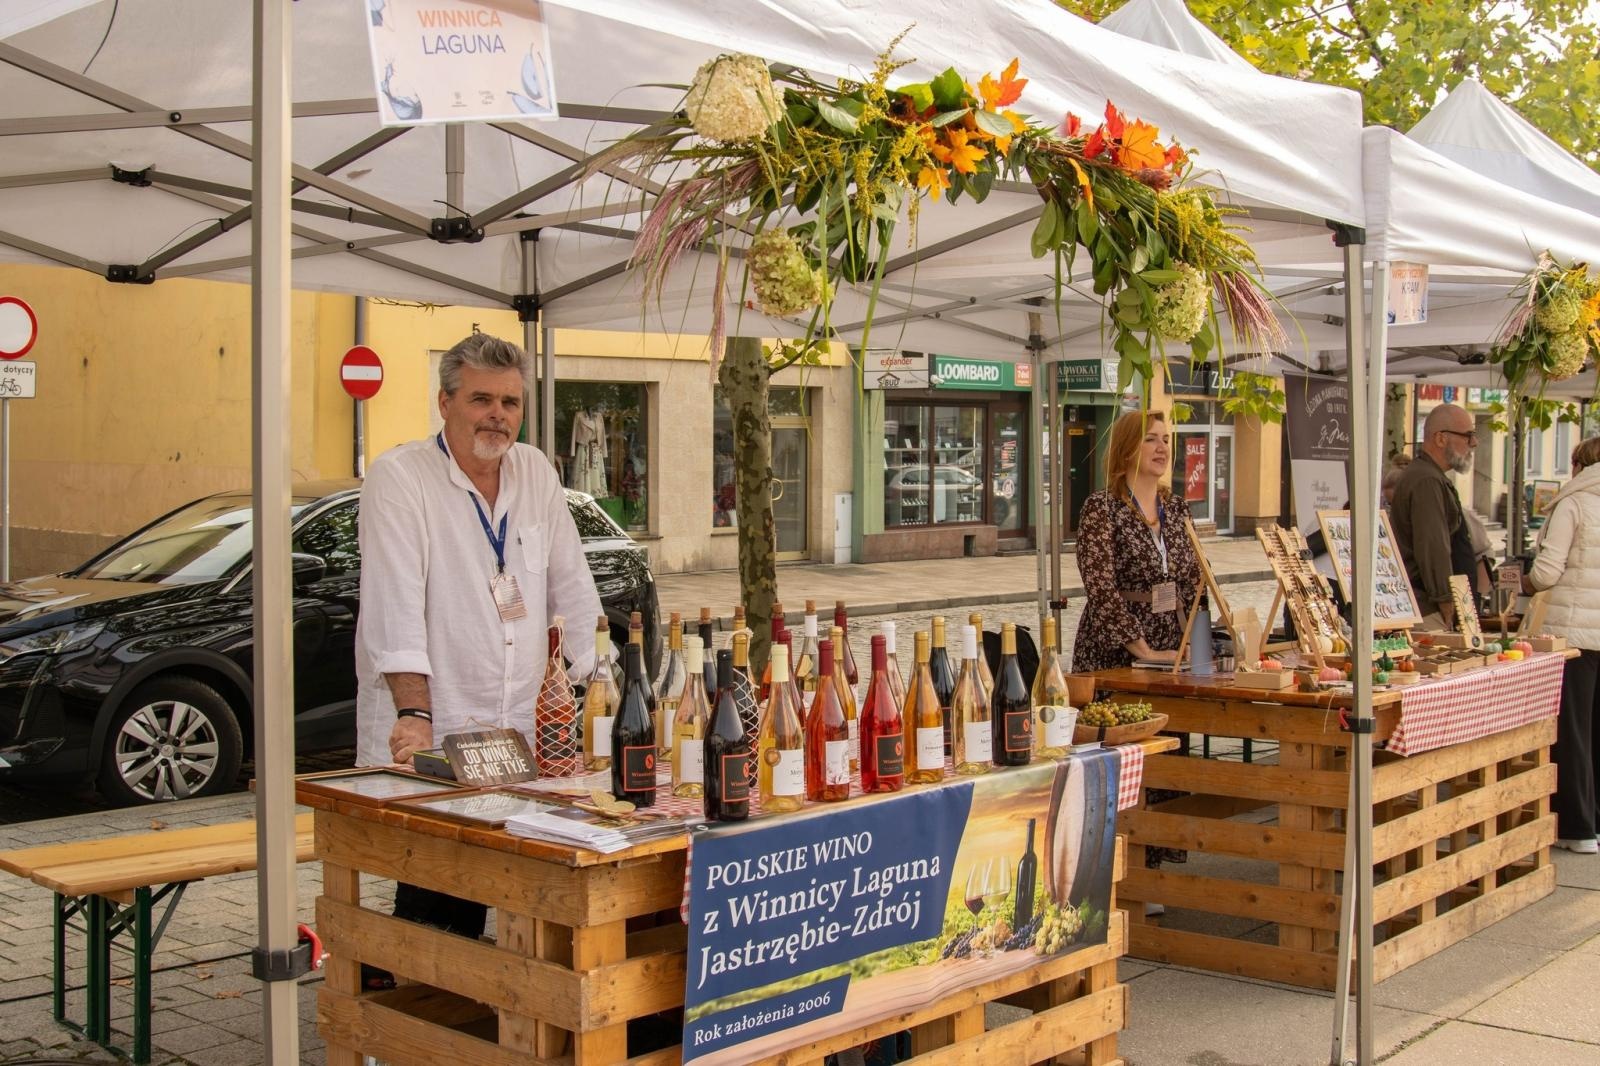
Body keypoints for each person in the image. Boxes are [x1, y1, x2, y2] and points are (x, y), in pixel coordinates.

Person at [355, 333, 604, 958]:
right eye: (481, 400)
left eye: (511, 403)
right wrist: (414, 712)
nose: (498, 415)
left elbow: (573, 586)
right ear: (445, 403)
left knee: (533, 887)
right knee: (441, 894)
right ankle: (418, 1029)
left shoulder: (535, 471)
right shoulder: (399, 477)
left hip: (521, 731)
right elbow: (395, 603)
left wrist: (601, 687)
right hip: (440, 731)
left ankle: (517, 1018)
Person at [1073, 408, 1202, 672]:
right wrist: (1145, 652)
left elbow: (1197, 582)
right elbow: (1101, 590)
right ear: (1127, 447)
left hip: (1173, 649)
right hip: (1118, 654)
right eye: (1151, 439)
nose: (1162, 448)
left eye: (1166, 440)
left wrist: (1198, 647)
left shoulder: (1177, 508)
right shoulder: (1102, 508)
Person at [1528, 436, 1600, 854]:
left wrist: (1528, 579)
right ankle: (1596, 821)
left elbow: (1547, 572)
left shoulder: (1574, 501)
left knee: (1572, 731)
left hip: (1574, 633)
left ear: (1577, 464)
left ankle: (1576, 827)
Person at [1390, 403, 1478, 627]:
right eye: (1468, 436)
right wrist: (1445, 599)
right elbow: (1433, 545)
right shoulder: (1426, 480)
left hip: (1428, 603)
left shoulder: (1429, 475)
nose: (1473, 443)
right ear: (1440, 439)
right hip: (1426, 607)